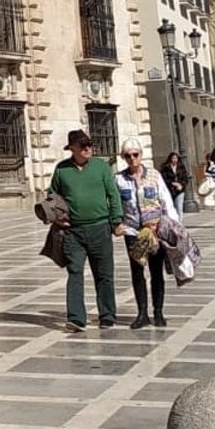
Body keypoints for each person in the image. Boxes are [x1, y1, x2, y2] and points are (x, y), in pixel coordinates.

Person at [48, 129, 123, 333]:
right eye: (82, 146)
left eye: (89, 144)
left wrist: (116, 220)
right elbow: (52, 196)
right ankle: (76, 318)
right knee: (75, 272)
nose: (87, 149)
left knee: (104, 274)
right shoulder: (62, 170)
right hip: (74, 231)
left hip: (100, 228)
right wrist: (57, 218)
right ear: (72, 148)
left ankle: (107, 315)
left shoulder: (101, 167)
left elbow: (113, 194)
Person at [117, 143, 173, 329]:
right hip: (132, 230)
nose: (132, 159)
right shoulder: (119, 179)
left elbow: (166, 201)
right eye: (128, 156)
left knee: (156, 271)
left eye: (135, 154)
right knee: (137, 271)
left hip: (154, 230)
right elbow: (114, 204)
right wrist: (116, 224)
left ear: (141, 155)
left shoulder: (154, 175)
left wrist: (172, 225)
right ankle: (142, 313)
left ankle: (158, 312)